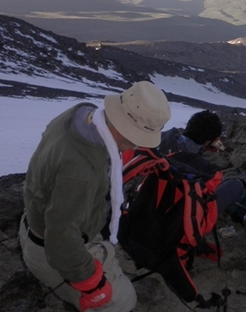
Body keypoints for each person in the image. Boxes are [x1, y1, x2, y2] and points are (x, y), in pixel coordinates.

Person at [20, 81, 171, 312]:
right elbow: (60, 240)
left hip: (34, 222)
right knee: (124, 301)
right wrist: (92, 284)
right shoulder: (82, 173)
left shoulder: (81, 116)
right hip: (48, 250)